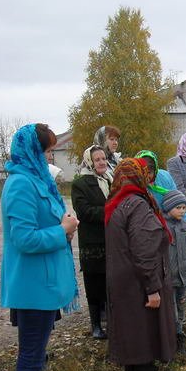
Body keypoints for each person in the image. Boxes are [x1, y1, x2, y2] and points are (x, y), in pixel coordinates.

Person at [0, 123, 79, 371]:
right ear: (33, 152)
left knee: (33, 361)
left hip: (43, 285)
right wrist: (61, 231)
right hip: (33, 288)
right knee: (30, 363)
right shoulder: (20, 184)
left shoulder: (37, 181)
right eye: (47, 151)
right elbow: (24, 238)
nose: (50, 156)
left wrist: (65, 229)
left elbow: (47, 225)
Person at [105, 158, 177, 371]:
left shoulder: (117, 203)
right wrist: (152, 287)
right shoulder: (137, 204)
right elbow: (144, 249)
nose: (147, 176)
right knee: (147, 334)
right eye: (143, 172)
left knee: (133, 335)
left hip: (123, 281)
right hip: (138, 282)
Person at [71, 145, 112, 339]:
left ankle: (112, 322)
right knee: (94, 285)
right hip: (93, 244)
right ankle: (95, 325)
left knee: (111, 284)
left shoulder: (110, 180)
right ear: (89, 161)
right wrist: (111, 211)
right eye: (97, 159)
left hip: (112, 241)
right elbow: (84, 212)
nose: (102, 162)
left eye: (103, 158)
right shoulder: (80, 184)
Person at [161, 189, 186, 355]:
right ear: (168, 208)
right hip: (170, 277)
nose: (182, 211)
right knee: (171, 308)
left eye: (184, 208)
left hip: (184, 275)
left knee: (182, 304)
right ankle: (171, 336)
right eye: (178, 208)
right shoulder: (163, 227)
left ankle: (180, 333)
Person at [135, 150, 186, 244]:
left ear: (155, 170)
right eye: (142, 172)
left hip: (170, 231)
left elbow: (179, 205)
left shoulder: (164, 178)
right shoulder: (134, 185)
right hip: (147, 236)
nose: (146, 176)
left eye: (149, 172)